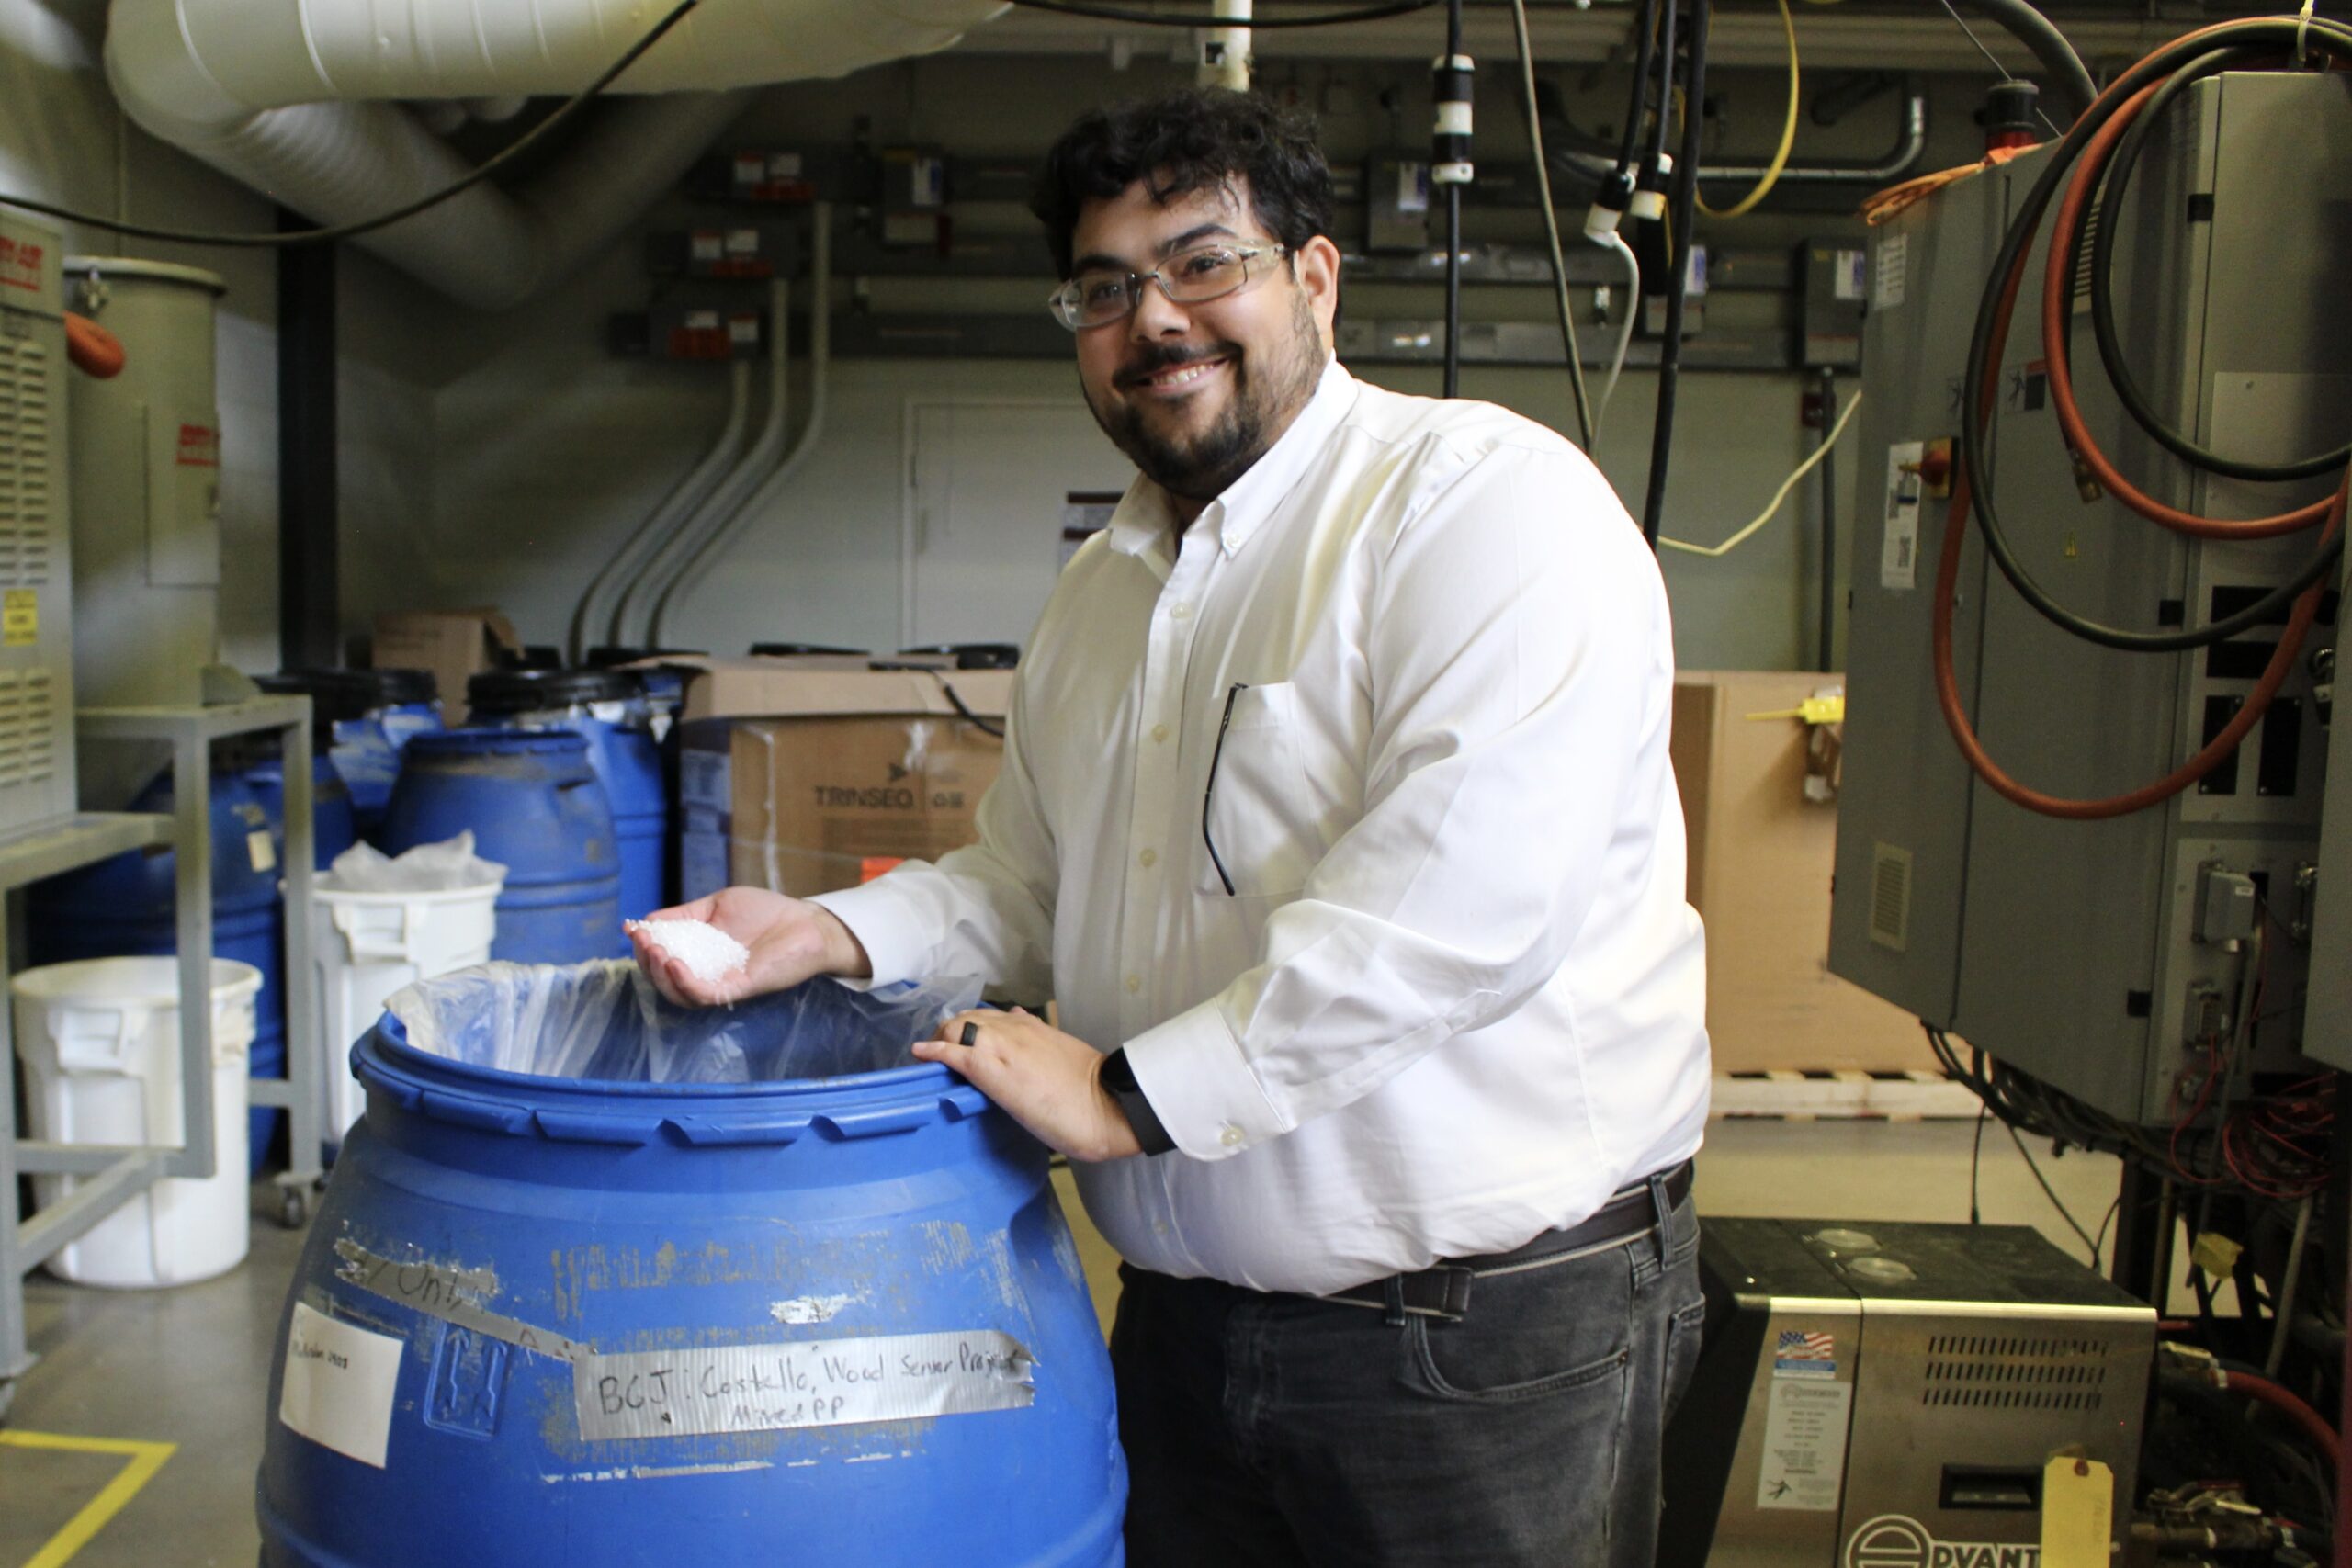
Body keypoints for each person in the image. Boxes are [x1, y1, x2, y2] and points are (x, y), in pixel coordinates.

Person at [632, 86, 1711, 1568]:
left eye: (1206, 263)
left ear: (1314, 279)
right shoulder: (1108, 585)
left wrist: (1128, 1099)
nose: (1157, 321)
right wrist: (824, 930)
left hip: (1476, 1338)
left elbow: (1460, 916)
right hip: (1188, 1323)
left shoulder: (1484, 511)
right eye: (1105, 288)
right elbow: (1029, 878)